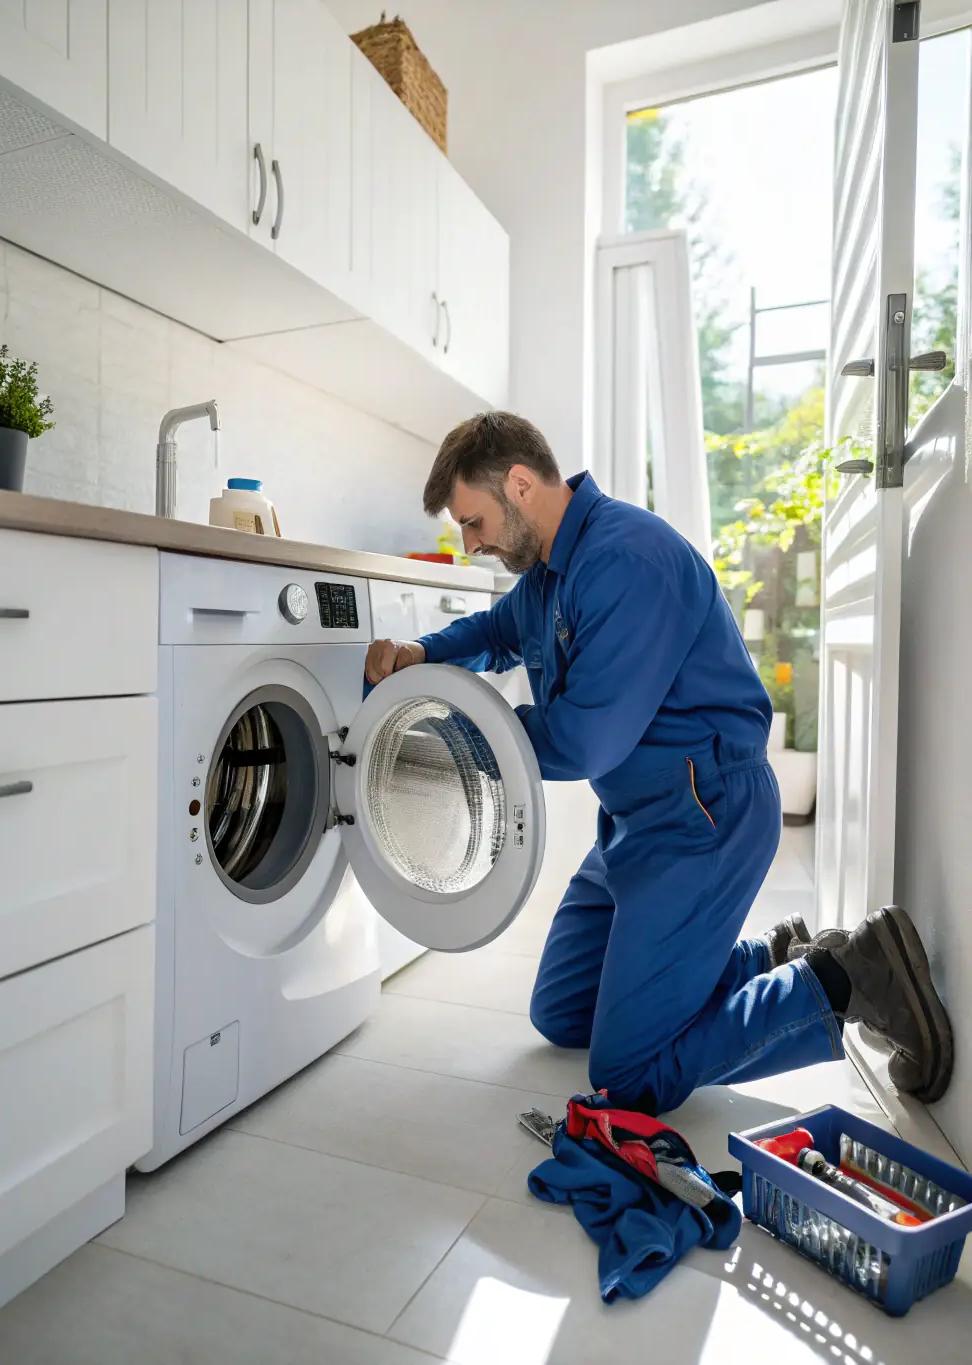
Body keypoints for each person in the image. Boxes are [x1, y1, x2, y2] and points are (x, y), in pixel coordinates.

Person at [365, 412, 953, 1114]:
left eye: (473, 521)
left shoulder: (624, 560)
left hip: (704, 819)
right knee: (561, 1009)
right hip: (633, 823)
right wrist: (422, 655)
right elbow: (493, 631)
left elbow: (583, 740)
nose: (471, 543)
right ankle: (764, 961)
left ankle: (848, 977)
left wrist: (461, 742)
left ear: (520, 485)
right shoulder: (551, 571)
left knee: (628, 1073)